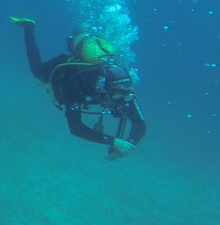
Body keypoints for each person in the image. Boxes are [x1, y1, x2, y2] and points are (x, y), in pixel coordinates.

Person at [10, 16, 147, 160]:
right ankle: (29, 28)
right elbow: (76, 128)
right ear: (105, 89)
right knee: (38, 72)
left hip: (93, 64)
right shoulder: (78, 85)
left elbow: (140, 125)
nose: (122, 101)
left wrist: (127, 146)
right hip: (67, 67)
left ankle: (85, 36)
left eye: (127, 97)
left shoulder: (122, 90)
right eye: (118, 97)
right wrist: (113, 141)